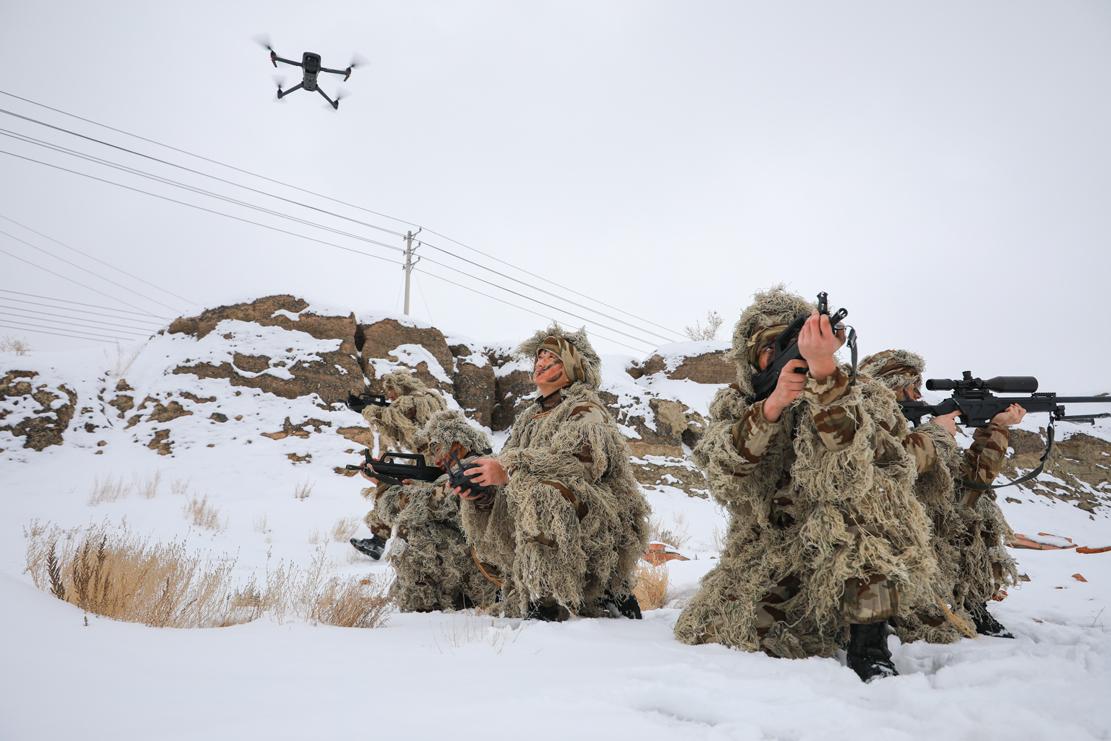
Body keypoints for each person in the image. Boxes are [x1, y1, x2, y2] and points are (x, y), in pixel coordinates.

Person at [673, 287, 937, 682]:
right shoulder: (736, 404)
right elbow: (726, 469)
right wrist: (772, 407)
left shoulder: (859, 393)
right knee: (729, 626)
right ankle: (831, 617)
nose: (781, 357)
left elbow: (850, 465)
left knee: (857, 510)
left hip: (853, 544)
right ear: (752, 359)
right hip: (778, 548)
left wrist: (824, 379)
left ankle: (870, 645)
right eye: (770, 348)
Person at [456, 325, 650, 622]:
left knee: (543, 492)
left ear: (573, 368)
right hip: (555, 512)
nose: (541, 362)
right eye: (539, 356)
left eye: (553, 358)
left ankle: (546, 601)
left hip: (599, 518)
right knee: (481, 497)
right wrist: (484, 489)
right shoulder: (528, 417)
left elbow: (581, 465)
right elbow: (508, 469)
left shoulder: (585, 409)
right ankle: (520, 583)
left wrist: (509, 468)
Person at [861, 349, 1023, 640]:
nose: (915, 395)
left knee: (975, 512)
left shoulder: (915, 423)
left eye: (917, 387)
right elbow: (892, 468)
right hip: (882, 537)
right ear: (887, 388)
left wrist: (996, 428)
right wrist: (935, 434)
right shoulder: (862, 421)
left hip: (922, 526)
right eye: (907, 388)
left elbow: (970, 485)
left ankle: (972, 603)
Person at [366, 410, 500, 612]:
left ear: (457, 442)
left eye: (436, 447)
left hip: (485, 575)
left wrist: (383, 486)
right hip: (480, 568)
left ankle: (423, 605)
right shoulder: (481, 463)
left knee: (415, 528)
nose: (435, 457)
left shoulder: (470, 472)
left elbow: (417, 506)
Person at [351, 369, 447, 560]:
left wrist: (367, 409)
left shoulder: (421, 399)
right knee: (396, 492)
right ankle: (378, 541)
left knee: (411, 500)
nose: (389, 395)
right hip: (427, 457)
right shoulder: (414, 401)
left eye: (391, 390)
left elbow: (395, 414)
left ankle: (408, 550)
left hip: (435, 460)